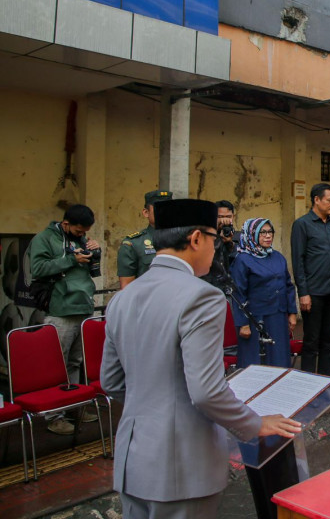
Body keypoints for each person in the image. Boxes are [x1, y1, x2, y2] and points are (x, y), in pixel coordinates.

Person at [101, 199, 302, 519]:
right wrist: (254, 423)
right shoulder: (201, 296)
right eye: (213, 238)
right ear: (196, 239)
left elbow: (111, 382)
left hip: (133, 461)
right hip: (182, 464)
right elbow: (206, 391)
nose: (216, 248)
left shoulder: (124, 298)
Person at [30, 204, 100, 435]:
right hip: (60, 309)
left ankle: (74, 406)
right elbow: (38, 268)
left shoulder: (80, 239)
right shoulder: (44, 239)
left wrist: (94, 251)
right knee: (56, 364)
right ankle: (54, 415)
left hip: (83, 306)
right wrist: (72, 260)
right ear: (66, 223)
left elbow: (89, 270)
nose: (82, 235)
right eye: (79, 231)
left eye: (85, 232)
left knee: (75, 363)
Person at [290, 183, 330, 376]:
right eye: (329, 200)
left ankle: (326, 383)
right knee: (311, 341)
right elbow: (298, 261)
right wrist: (303, 293)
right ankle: (309, 386)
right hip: (313, 293)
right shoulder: (302, 224)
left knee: (328, 341)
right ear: (317, 199)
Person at [230, 218, 297, 368]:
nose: (268, 236)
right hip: (255, 320)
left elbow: (288, 285)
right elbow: (238, 293)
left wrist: (292, 312)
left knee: (279, 357)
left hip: (278, 317)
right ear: (252, 234)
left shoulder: (278, 257)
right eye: (262, 233)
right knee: (256, 361)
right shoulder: (243, 259)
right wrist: (243, 324)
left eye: (270, 232)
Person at [117, 190, 172, 289]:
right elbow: (126, 288)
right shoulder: (133, 244)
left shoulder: (185, 240)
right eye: (159, 208)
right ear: (146, 212)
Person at [202, 200, 239, 290]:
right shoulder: (206, 236)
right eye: (220, 216)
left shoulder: (239, 236)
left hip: (231, 287)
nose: (224, 220)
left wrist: (229, 243)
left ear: (233, 217)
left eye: (228, 216)